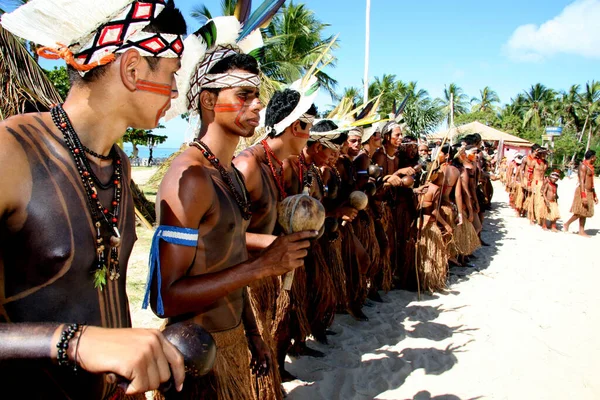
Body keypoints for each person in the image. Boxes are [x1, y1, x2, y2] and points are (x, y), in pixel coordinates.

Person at [0, 1, 188, 398]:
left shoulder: (117, 164)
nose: (175, 91)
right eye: (172, 75)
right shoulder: (12, 152)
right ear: (133, 69)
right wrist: (78, 342)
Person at [143, 15, 314, 400]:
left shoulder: (228, 175)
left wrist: (255, 337)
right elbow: (164, 297)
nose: (257, 106)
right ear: (208, 100)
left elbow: (231, 254)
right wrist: (264, 265)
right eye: (243, 96)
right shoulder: (189, 179)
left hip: (234, 343)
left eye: (257, 95)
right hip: (197, 359)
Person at [233, 84, 318, 390]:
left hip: (275, 277)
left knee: (279, 334)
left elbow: (290, 217)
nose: (309, 136)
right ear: (296, 126)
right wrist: (274, 245)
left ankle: (276, 382)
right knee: (253, 357)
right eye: (307, 127)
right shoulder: (247, 167)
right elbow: (223, 238)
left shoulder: (290, 167)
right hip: (247, 283)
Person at [564, 150, 598, 237]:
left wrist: (594, 195)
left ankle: (581, 230)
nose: (596, 159)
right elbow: (582, 181)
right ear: (592, 157)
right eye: (595, 157)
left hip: (589, 191)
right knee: (579, 212)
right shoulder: (583, 166)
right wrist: (583, 195)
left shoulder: (590, 167)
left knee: (584, 212)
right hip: (583, 191)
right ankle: (567, 224)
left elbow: (591, 182)